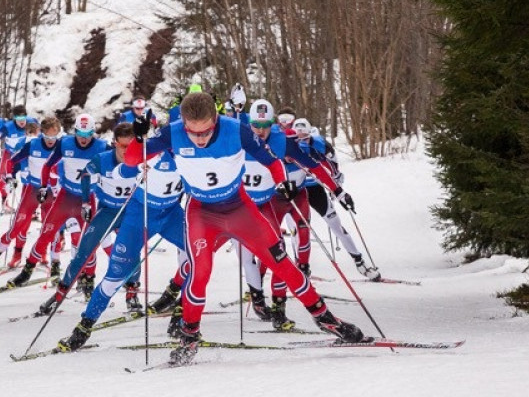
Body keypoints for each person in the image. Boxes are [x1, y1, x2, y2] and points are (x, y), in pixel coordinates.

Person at [125, 92, 366, 365]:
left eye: (205, 132)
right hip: (202, 213)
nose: (200, 139)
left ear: (215, 120)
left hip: (240, 208)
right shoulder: (173, 132)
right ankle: (189, 336)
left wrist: (280, 182)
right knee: (200, 271)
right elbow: (133, 159)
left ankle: (326, 319)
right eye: (194, 133)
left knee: (281, 262)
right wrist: (139, 137)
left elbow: (271, 161)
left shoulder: (236, 130)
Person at [49, 149, 189, 352]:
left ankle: (181, 314)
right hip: (139, 215)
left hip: (171, 214)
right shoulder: (149, 152)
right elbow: (117, 173)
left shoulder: (196, 154)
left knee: (198, 257)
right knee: (116, 274)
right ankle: (84, 326)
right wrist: (139, 165)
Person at [238, 99, 351, 331]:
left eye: (265, 125)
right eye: (255, 125)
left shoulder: (283, 141)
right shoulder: (238, 137)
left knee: (280, 251)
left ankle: (278, 307)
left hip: (274, 200)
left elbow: (314, 166)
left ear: (273, 123)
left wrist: (338, 192)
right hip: (240, 205)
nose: (260, 131)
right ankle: (185, 310)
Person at [31, 123, 143, 308]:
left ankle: (132, 296)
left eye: (130, 146)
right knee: (83, 253)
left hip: (130, 212)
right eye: (123, 146)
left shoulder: (141, 160)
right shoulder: (102, 159)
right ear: (115, 143)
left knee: (132, 252)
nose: (126, 151)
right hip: (107, 211)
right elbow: (84, 175)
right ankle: (59, 296)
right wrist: (85, 202)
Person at [6, 114, 108, 286]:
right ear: (75, 131)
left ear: (93, 132)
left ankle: (88, 278)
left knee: (87, 242)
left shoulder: (102, 146)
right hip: (65, 197)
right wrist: (44, 187)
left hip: (86, 199)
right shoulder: (65, 143)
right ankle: (27, 270)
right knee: (46, 233)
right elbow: (47, 166)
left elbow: (121, 162)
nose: (83, 139)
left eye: (88, 134)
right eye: (80, 134)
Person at [292, 118, 380, 281]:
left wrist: (337, 185)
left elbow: (333, 164)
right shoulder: (289, 144)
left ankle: (359, 261)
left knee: (336, 224)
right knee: (298, 230)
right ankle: (300, 267)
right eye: (298, 137)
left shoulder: (319, 143)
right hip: (298, 191)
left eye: (304, 136)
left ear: (310, 133)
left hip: (316, 188)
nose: (301, 140)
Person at [0, 117, 62, 276]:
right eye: (47, 137)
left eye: (54, 137)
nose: (50, 141)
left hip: (51, 192)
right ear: (41, 133)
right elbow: (11, 162)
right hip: (32, 189)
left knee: (51, 228)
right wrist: (9, 177)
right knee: (17, 226)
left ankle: (53, 260)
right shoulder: (31, 145)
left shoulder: (62, 147)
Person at [0, 105, 38, 221]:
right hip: (10, 155)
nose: (22, 121)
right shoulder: (8, 127)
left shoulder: (32, 122)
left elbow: (41, 134)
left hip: (26, 155)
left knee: (30, 181)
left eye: (23, 117)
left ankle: (29, 210)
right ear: (14, 118)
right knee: (1, 182)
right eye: (18, 119)